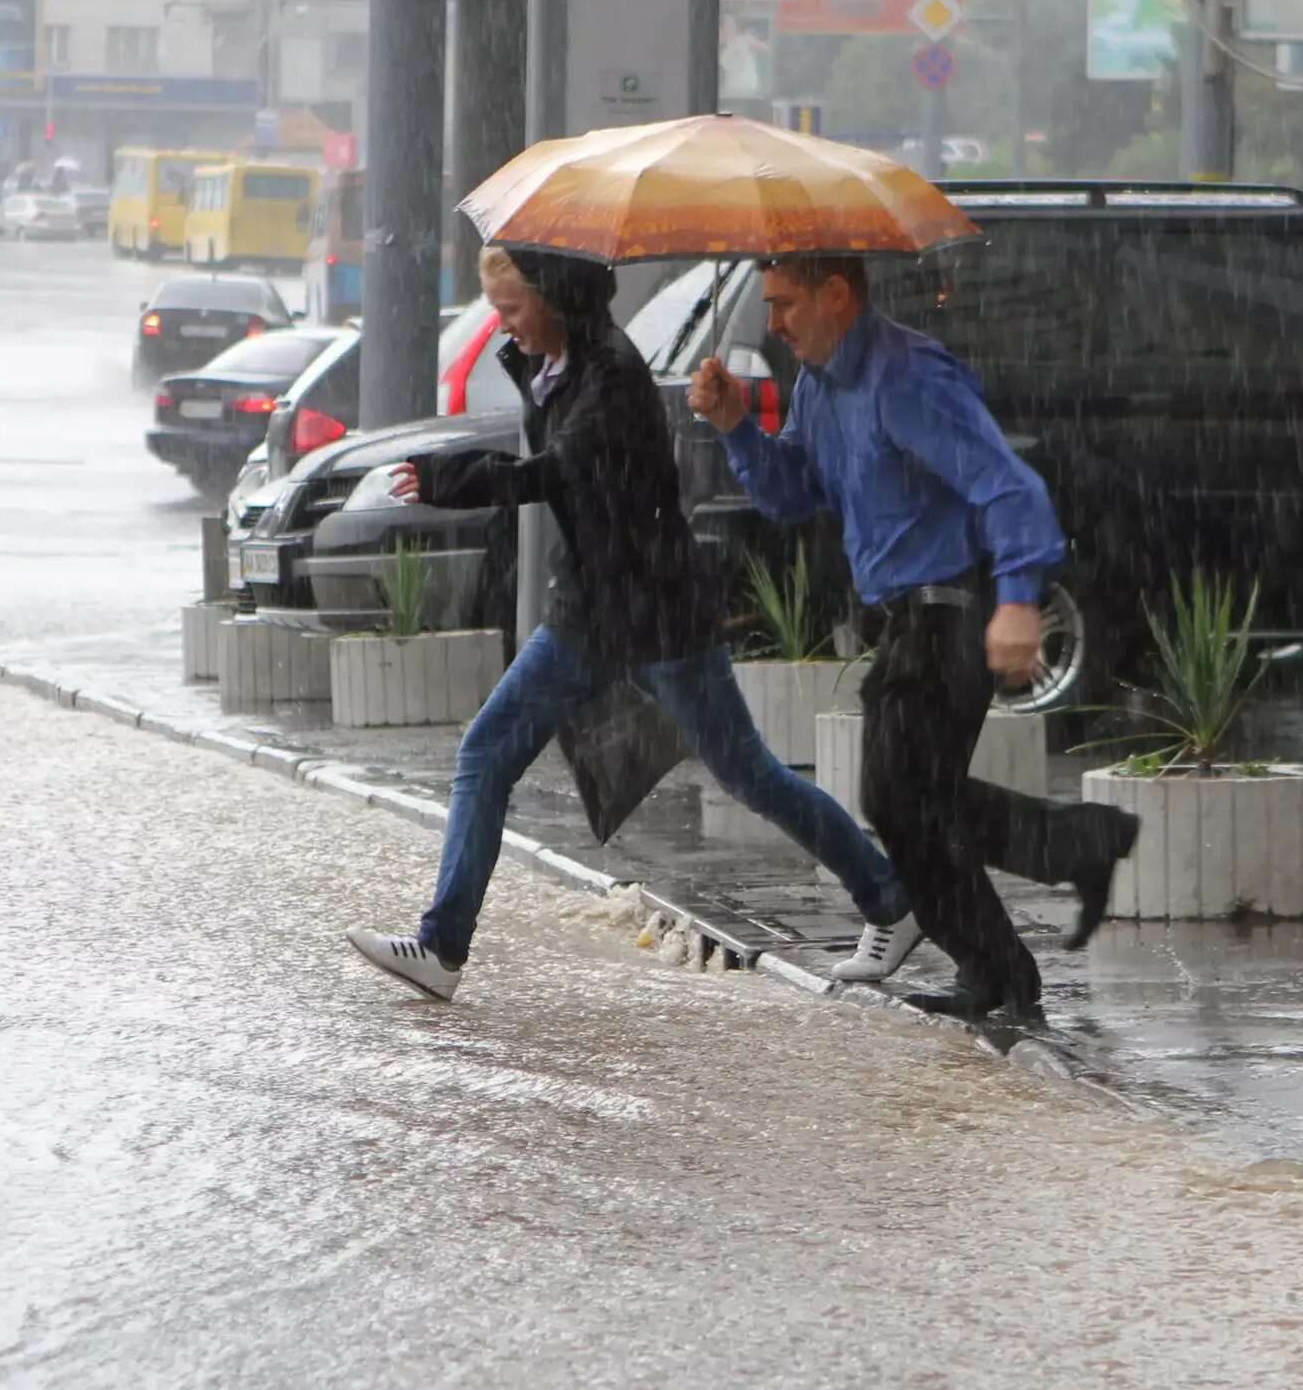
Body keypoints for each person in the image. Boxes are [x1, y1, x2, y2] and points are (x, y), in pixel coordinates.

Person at [346, 247, 922, 1002]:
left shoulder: (612, 377)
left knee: (749, 775)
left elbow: (554, 472)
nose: (504, 326)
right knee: (486, 752)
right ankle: (441, 946)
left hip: (657, 617)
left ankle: (890, 901)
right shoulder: (559, 362)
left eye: (513, 308)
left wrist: (448, 478)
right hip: (590, 612)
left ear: (554, 297)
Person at [690, 255, 1139, 1025]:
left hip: (954, 612)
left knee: (898, 799)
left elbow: (1007, 484)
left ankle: (1003, 965)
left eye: (786, 303)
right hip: (902, 619)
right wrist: (737, 425)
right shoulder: (818, 386)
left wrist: (1021, 600)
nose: (775, 323)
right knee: (916, 803)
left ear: (837, 296)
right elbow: (795, 493)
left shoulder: (907, 376)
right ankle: (1068, 855)